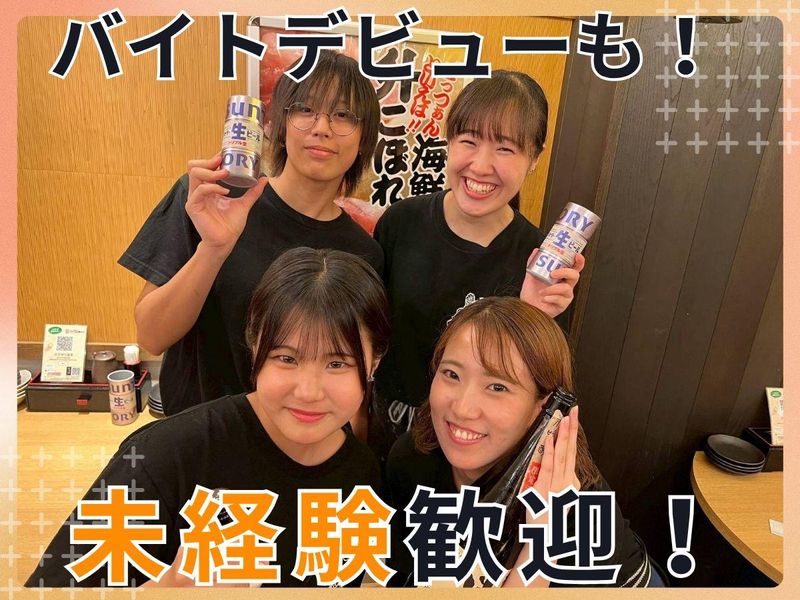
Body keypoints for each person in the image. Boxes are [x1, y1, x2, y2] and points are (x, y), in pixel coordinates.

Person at [27, 247, 390, 588]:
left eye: (337, 363)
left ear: (374, 362)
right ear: (254, 346)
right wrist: (165, 590)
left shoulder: (363, 473)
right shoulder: (164, 456)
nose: (308, 391)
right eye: (286, 358)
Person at [119, 50, 382, 417]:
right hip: (201, 433)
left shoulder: (363, 253)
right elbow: (151, 336)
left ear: (364, 138)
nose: (321, 127)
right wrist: (213, 249)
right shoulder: (211, 198)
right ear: (278, 124)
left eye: (343, 115)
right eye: (305, 109)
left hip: (297, 442)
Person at [369, 70, 585, 461]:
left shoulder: (541, 259)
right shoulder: (401, 223)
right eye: (468, 141)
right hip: (389, 426)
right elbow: (367, 332)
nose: (481, 166)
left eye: (505, 149)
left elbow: (542, 385)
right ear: (449, 141)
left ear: (534, 158)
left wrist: (533, 313)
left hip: (479, 439)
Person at [386, 297, 653, 587]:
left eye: (497, 387)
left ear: (544, 405)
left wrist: (543, 542)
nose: (462, 409)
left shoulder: (578, 514)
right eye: (452, 374)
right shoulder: (412, 461)